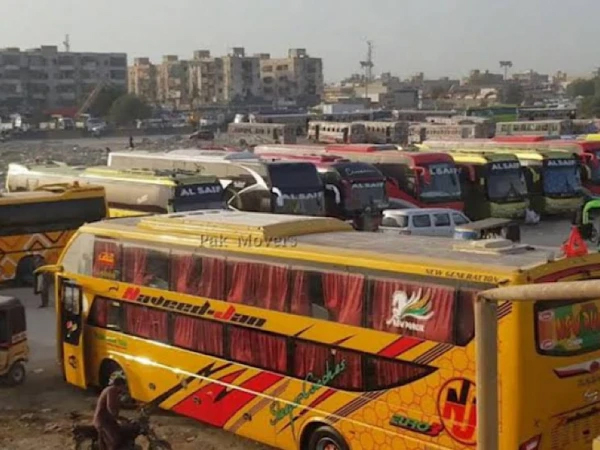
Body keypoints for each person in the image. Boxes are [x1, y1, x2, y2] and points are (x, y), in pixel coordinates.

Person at [93, 375, 128, 450]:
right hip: (103, 421)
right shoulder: (112, 390)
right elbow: (111, 407)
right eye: (124, 387)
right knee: (115, 440)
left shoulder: (110, 390)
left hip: (107, 420)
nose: (124, 389)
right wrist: (118, 418)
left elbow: (118, 405)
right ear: (120, 385)